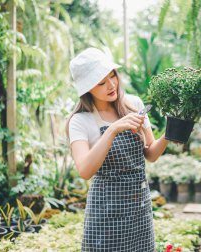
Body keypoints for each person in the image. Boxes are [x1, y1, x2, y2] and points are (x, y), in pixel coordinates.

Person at [65, 47, 170, 251]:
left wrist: (170, 132)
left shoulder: (134, 105)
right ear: (88, 89)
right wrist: (112, 130)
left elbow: (150, 153)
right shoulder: (80, 121)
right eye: (101, 82)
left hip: (139, 208)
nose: (111, 84)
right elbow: (85, 170)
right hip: (106, 212)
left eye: (112, 75)